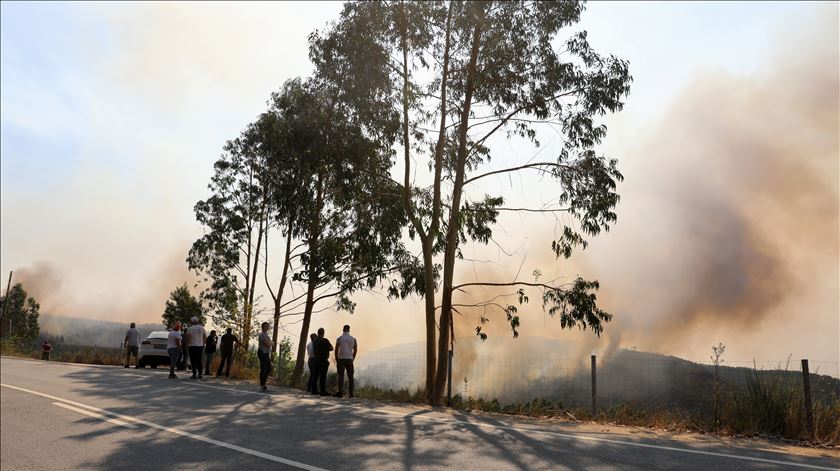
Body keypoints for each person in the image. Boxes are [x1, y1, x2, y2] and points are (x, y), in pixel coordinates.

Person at [334, 325, 358, 398]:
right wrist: (353, 358)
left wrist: (336, 358)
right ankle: (351, 393)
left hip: (341, 358)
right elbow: (355, 349)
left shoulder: (340, 338)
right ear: (349, 330)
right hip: (349, 359)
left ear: (343, 329)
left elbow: (336, 349)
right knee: (350, 376)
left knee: (341, 375)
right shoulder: (353, 339)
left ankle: (340, 392)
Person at [312, 327, 333, 396]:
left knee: (315, 375)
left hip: (316, 360)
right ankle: (322, 391)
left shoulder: (314, 341)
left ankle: (314, 390)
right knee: (323, 376)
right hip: (323, 360)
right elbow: (331, 348)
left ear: (318, 333)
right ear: (323, 333)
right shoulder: (325, 340)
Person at [257, 322, 273, 391]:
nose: (268, 327)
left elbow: (269, 343)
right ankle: (262, 385)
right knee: (264, 368)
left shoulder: (266, 335)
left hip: (266, 353)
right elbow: (268, 344)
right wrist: (271, 343)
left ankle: (263, 384)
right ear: (263, 327)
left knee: (268, 368)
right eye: (266, 326)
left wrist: (270, 343)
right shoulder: (262, 335)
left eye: (268, 326)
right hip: (262, 353)